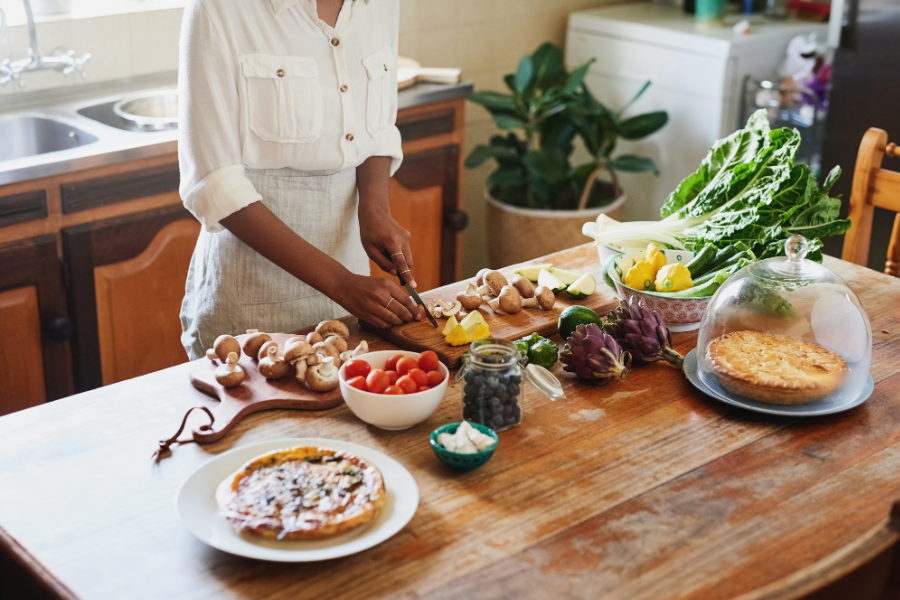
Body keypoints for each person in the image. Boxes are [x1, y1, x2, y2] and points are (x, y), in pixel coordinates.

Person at [177, 0, 420, 360]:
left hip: (353, 283)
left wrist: (375, 209)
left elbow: (378, 129)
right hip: (252, 304)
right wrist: (340, 282)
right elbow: (217, 185)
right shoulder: (218, 10)